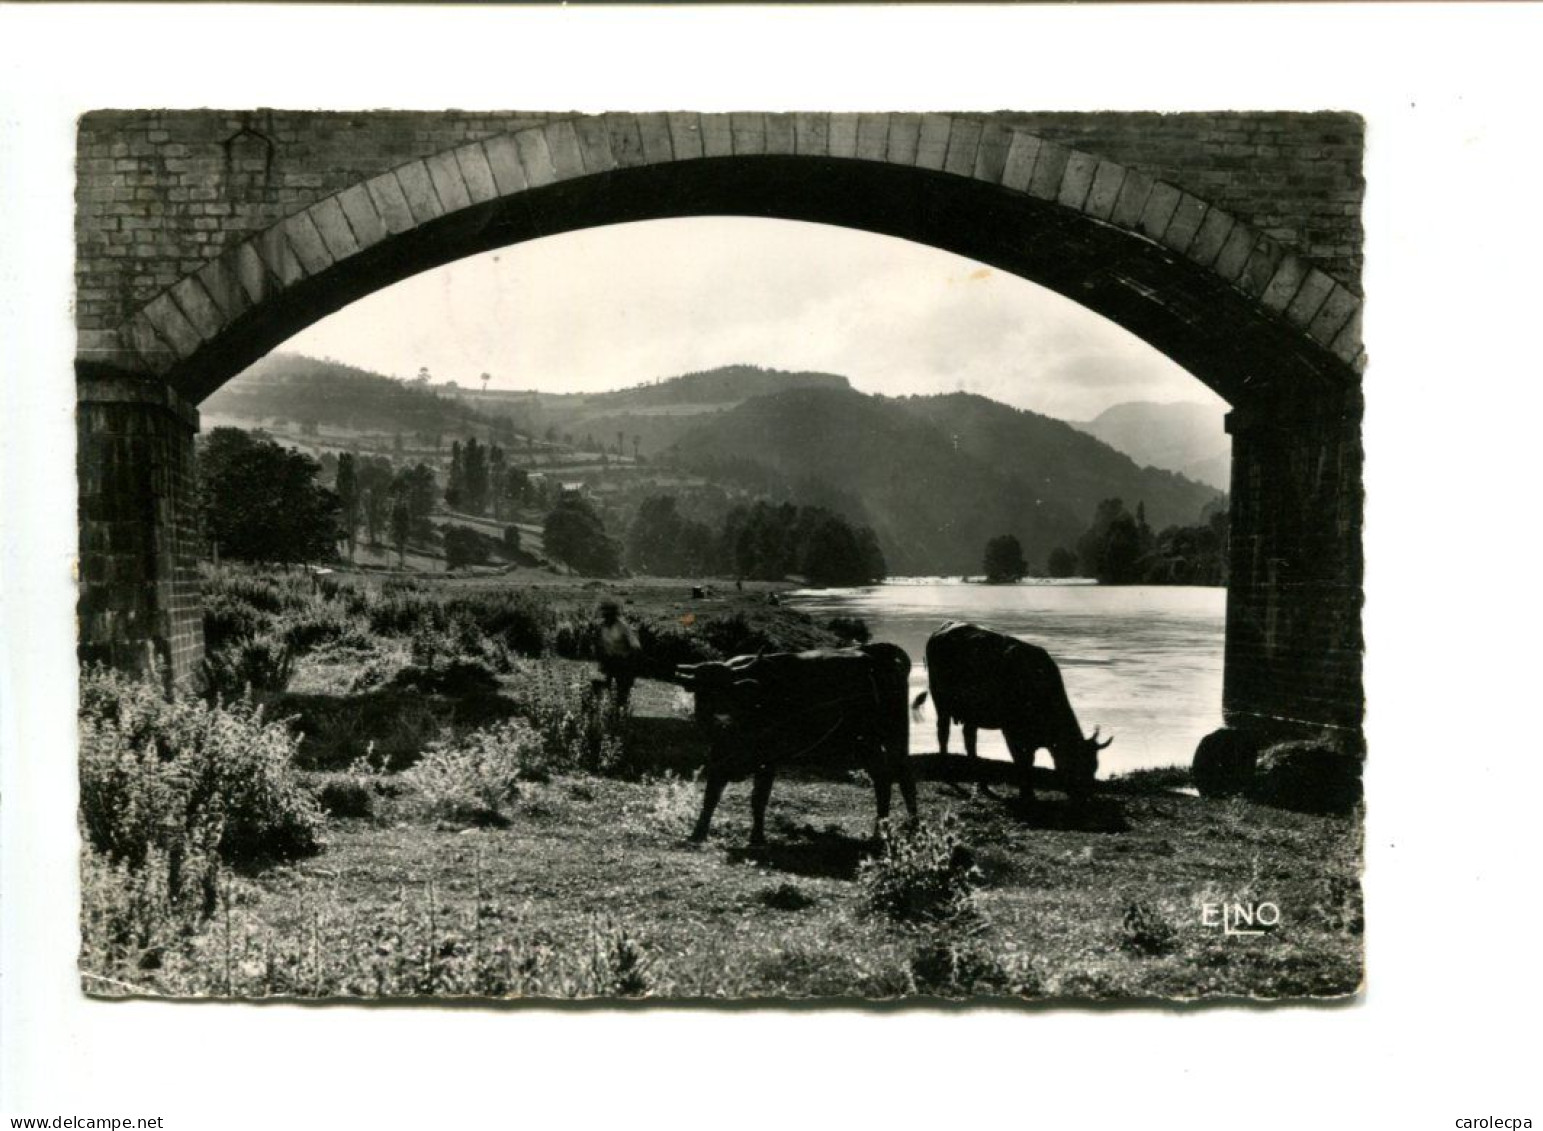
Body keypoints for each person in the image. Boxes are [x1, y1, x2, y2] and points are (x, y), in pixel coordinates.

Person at [596, 598, 641, 708]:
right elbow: (600, 645)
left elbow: (635, 646)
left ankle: (620, 713)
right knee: (607, 689)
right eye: (604, 613)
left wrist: (631, 665)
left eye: (608, 613)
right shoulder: (602, 627)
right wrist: (602, 660)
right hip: (610, 662)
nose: (605, 616)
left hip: (623, 663)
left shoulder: (622, 627)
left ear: (614, 614)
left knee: (621, 691)